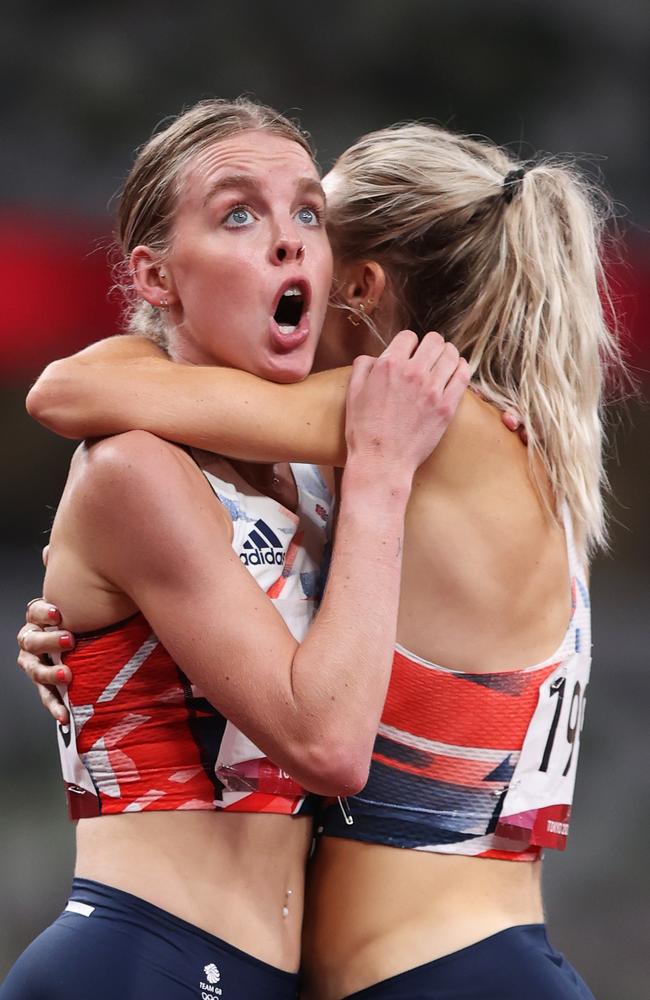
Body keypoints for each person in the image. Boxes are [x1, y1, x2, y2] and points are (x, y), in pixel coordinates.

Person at [17, 122, 623, 999]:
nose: (292, 244)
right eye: (246, 220)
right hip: (460, 957)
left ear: (361, 284)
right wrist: (98, 629)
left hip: (425, 969)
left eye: (314, 217)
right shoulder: (462, 449)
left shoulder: (415, 423)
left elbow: (75, 389)